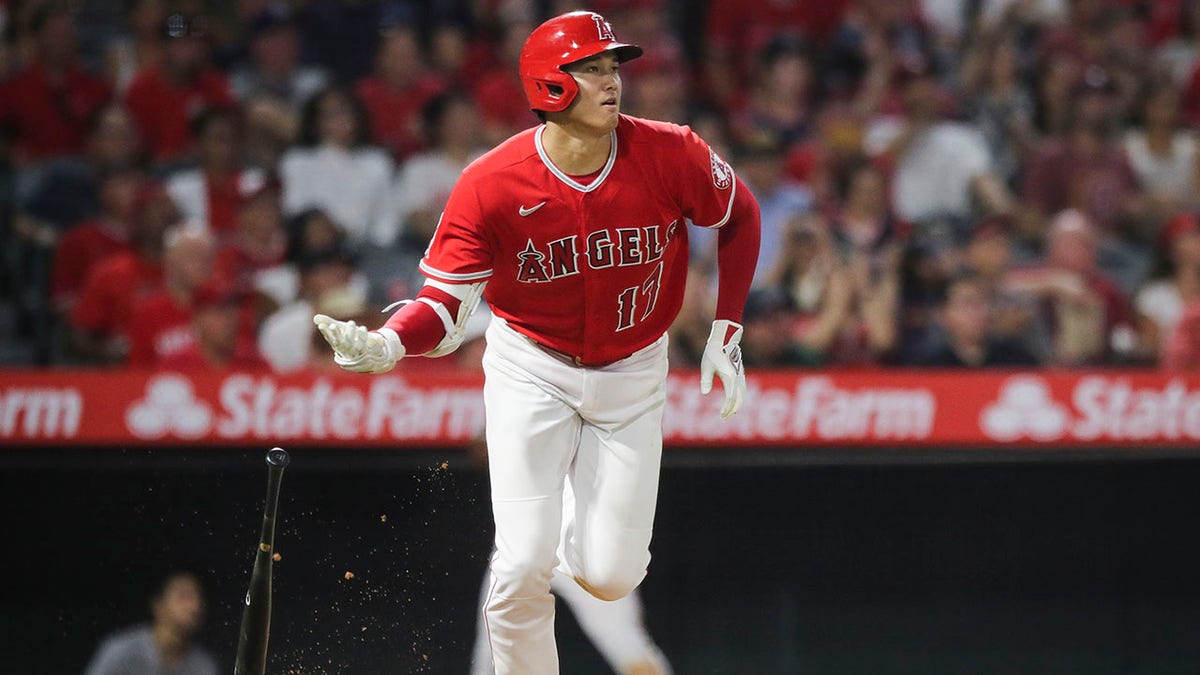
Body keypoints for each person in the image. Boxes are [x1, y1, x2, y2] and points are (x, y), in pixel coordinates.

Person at [311, 11, 760, 674]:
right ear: (551, 85)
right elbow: (443, 304)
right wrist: (391, 343)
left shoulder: (671, 151)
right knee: (521, 560)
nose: (613, 81)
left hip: (633, 371)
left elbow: (740, 213)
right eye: (592, 68)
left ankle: (573, 510)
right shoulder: (490, 182)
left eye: (614, 67)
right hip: (533, 366)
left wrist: (727, 322)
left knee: (610, 574)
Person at [82, 571, 218, 675]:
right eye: (183, 596)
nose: (194, 606)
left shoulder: (203, 667)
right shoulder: (122, 652)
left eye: (198, 598)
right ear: (158, 606)